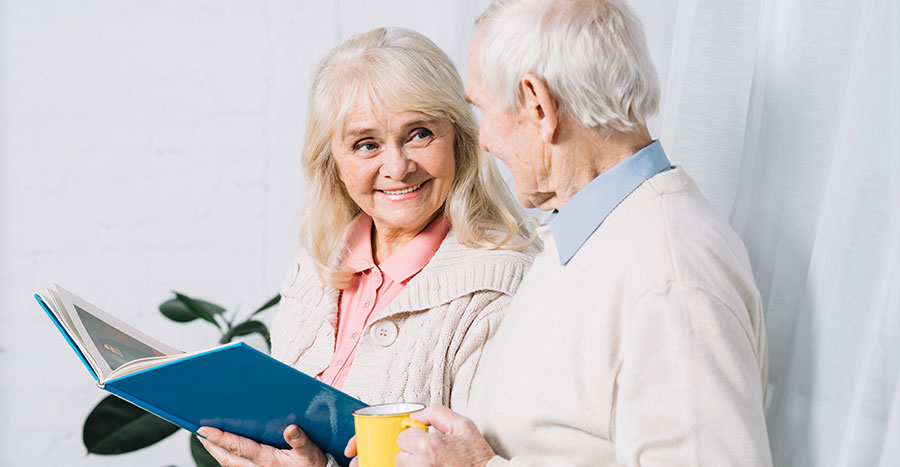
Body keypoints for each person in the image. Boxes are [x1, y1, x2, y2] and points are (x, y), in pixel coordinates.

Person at [382, 0, 773, 465]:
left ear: (538, 105)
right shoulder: (587, 234)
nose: (484, 140)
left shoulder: (671, 275)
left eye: (484, 109)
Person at [197, 27, 537, 467]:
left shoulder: (503, 288)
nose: (397, 167)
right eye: (366, 144)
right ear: (333, 162)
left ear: (459, 139)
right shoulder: (315, 266)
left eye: (419, 134)